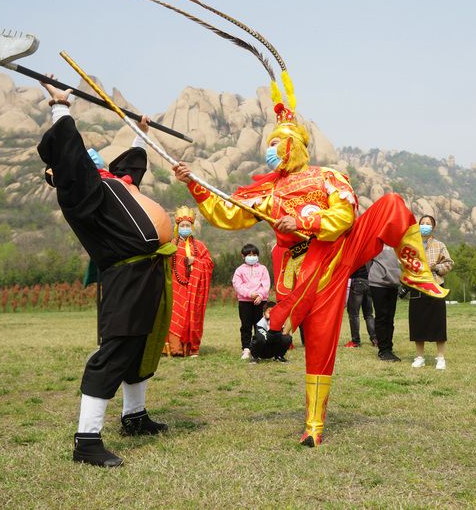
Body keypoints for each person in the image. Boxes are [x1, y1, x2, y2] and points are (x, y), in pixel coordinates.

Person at [174, 102, 447, 446]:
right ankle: (313, 426)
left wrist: (305, 221)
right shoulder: (267, 191)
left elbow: (345, 213)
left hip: (337, 249)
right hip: (299, 270)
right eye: (268, 144)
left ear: (292, 145)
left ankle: (416, 270)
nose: (269, 151)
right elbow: (228, 213)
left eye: (275, 144)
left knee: (391, 204)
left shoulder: (326, 177)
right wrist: (194, 185)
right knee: (317, 341)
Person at [37, 76, 174, 467]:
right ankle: (86, 441)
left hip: (148, 273)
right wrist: (60, 106)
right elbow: (70, 156)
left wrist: (139, 131)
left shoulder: (113, 183)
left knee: (141, 345)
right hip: (126, 278)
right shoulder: (82, 195)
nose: (92, 159)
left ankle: (135, 417)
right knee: (114, 352)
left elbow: (131, 164)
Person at [167, 206, 214, 357]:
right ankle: (176, 349)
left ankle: (191, 348)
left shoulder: (199, 246)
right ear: (177, 227)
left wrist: (196, 261)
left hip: (193, 291)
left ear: (192, 227)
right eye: (182, 226)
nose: (185, 228)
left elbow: (209, 263)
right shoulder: (170, 245)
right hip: (175, 288)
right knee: (174, 318)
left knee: (191, 317)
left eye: (188, 226)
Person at [409, 215, 454, 369]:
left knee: (438, 322)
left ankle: (440, 357)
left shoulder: (439, 245)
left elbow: (449, 263)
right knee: (417, 322)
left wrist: (436, 268)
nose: (425, 226)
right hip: (418, 287)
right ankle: (419, 357)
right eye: (422, 223)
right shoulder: (412, 245)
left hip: (436, 287)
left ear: (433, 228)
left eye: (428, 224)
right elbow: (406, 264)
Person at [232, 243, 271, 360]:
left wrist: (260, 295)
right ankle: (246, 349)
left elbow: (266, 284)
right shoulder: (239, 270)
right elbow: (238, 285)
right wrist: (250, 294)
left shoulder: (263, 269)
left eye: (254, 254)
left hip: (261, 301)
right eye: (249, 254)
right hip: (245, 302)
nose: (252, 256)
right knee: (246, 326)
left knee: (260, 325)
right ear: (243, 256)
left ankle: (259, 348)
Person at [368, 246, 405, 362]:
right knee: (382, 316)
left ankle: (388, 347)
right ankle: (383, 350)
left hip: (393, 282)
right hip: (378, 282)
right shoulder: (376, 239)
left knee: (390, 317)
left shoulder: (397, 241)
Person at [344, 264, 376, 347]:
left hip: (357, 283)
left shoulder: (356, 252)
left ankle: (355, 341)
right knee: (369, 314)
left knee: (353, 314)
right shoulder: (368, 253)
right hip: (369, 282)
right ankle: (375, 339)